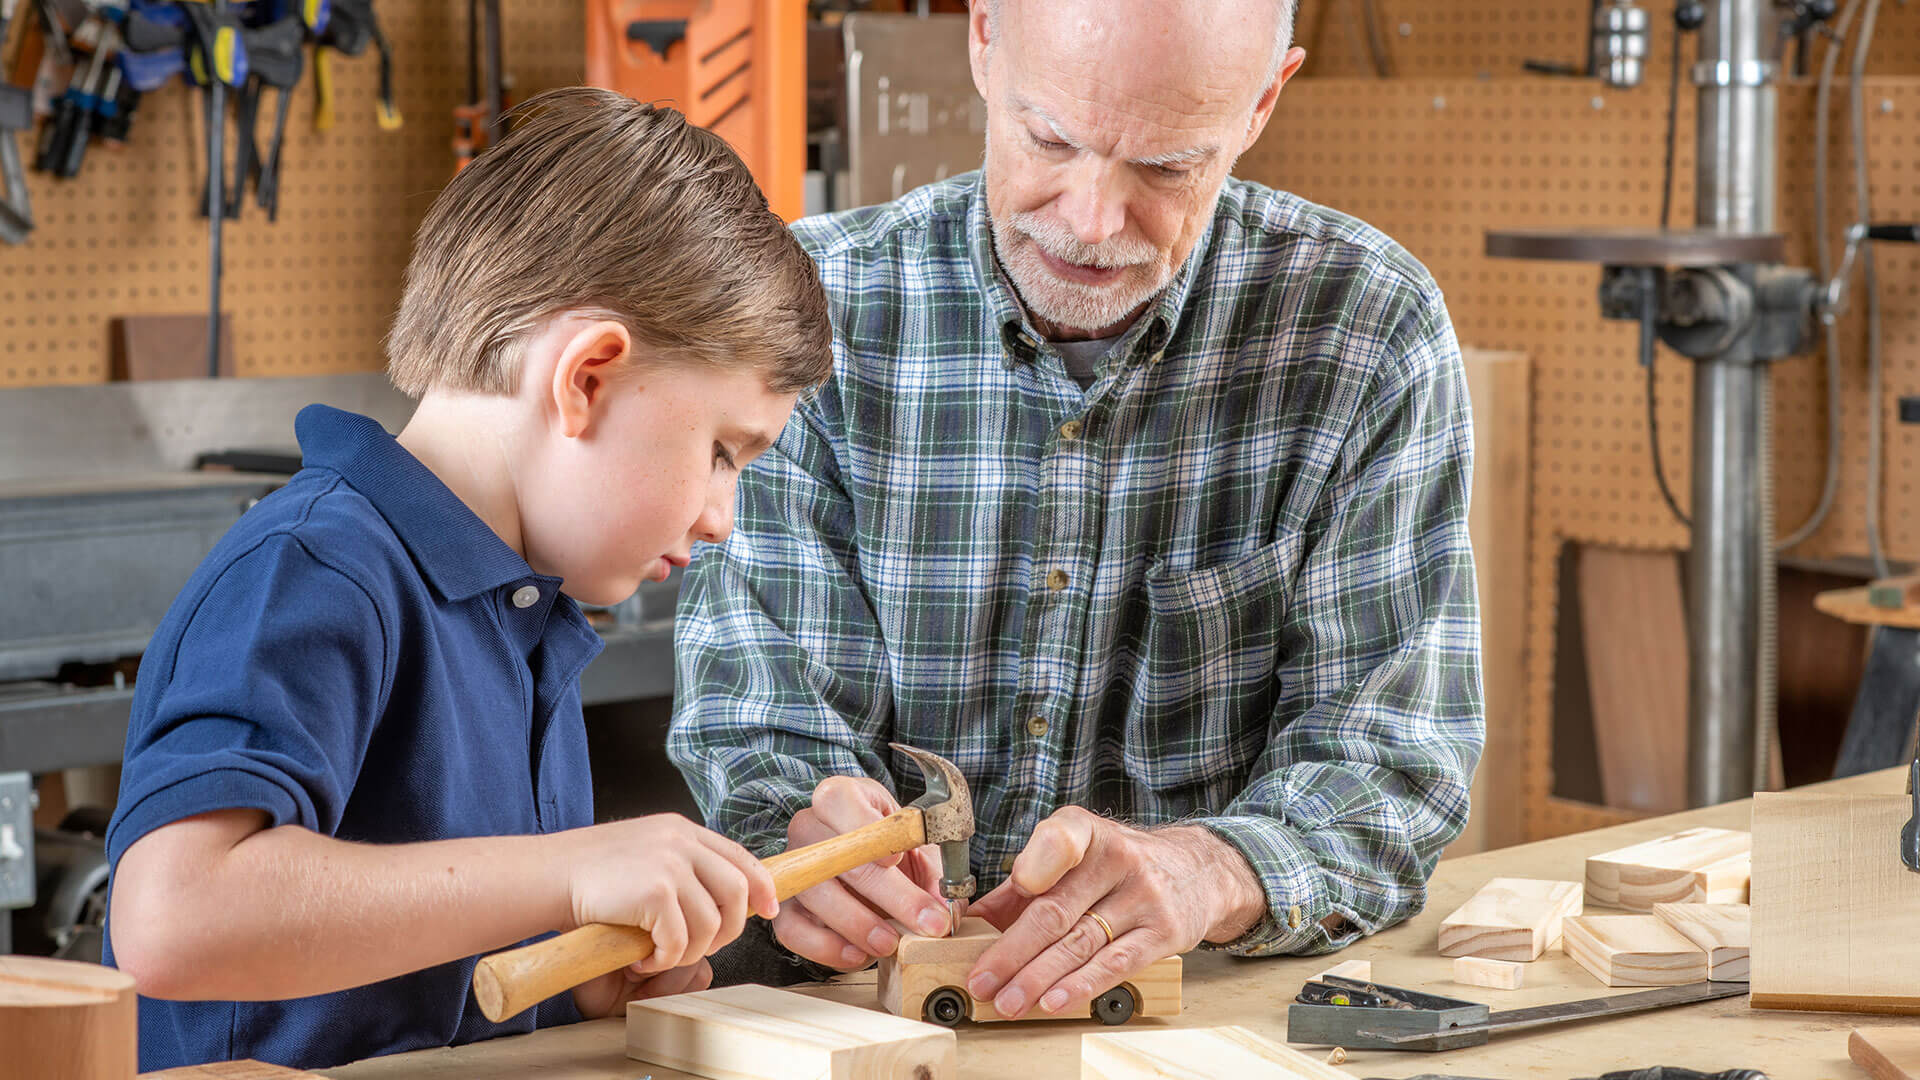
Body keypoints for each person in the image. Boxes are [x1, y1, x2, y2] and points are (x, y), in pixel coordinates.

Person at [671, 0, 1485, 1024]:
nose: (1093, 222)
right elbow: (764, 727)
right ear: (982, 40)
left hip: (1193, 1023)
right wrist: (804, 838)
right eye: (1051, 139)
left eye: (1167, 168)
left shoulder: (1366, 333)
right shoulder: (814, 315)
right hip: (862, 1017)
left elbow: (1392, 767)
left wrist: (1212, 872)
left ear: (1263, 103)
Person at [102, 87, 831, 1071]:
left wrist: (570, 973)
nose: (721, 515)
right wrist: (572, 873)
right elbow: (173, 919)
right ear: (586, 378)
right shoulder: (317, 573)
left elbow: (426, 946)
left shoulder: (528, 615)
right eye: (721, 451)